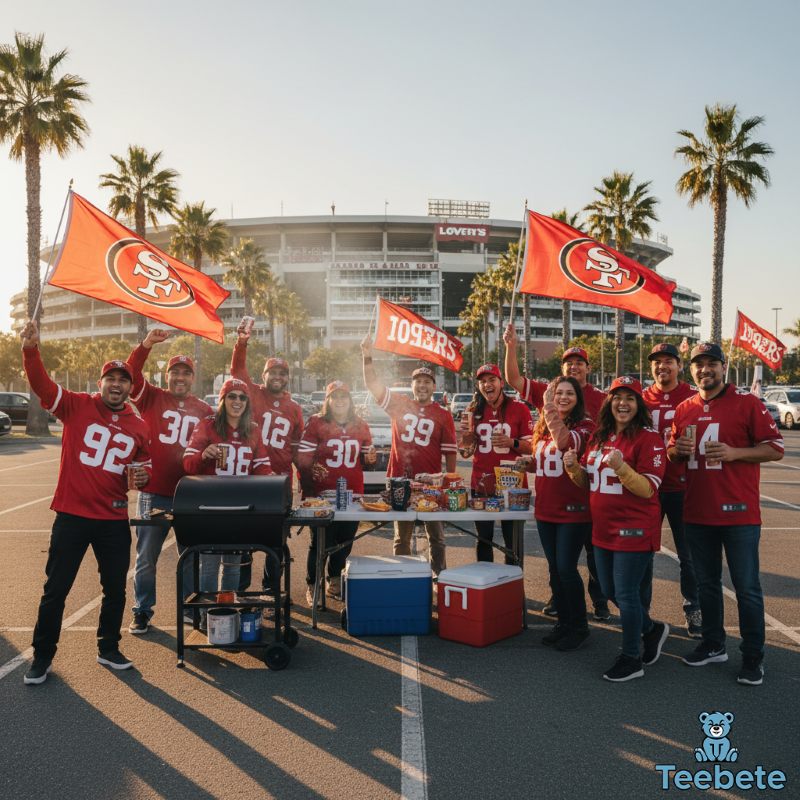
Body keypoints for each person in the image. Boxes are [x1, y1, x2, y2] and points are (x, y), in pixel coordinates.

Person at [20, 320, 151, 685]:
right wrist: (31, 351)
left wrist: (142, 479)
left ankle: (108, 647)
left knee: (115, 589)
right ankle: (42, 655)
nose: (117, 384)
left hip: (112, 518)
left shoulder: (138, 425)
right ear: (101, 383)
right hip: (72, 516)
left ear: (130, 386)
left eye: (123, 380)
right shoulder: (76, 405)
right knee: (56, 590)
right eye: (111, 378)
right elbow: (42, 386)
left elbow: (144, 471)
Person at [667, 342, 783, 686]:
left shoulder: (747, 403)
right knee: (706, 584)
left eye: (711, 364)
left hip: (739, 513)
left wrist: (734, 452)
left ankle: (753, 655)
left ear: (723, 367)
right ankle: (714, 643)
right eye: (698, 365)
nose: (705, 370)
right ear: (692, 371)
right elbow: (673, 453)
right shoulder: (684, 408)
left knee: (747, 588)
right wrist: (676, 451)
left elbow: (775, 449)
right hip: (697, 511)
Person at [564, 377, 668, 682]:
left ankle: (631, 658)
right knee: (609, 591)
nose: (623, 403)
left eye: (630, 398)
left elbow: (649, 489)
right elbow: (588, 483)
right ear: (609, 403)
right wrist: (573, 468)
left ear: (639, 405)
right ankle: (651, 629)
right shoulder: (600, 437)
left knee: (626, 593)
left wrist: (622, 467)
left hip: (634, 529)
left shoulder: (650, 438)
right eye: (617, 397)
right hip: (603, 529)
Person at [503, 324, 610, 620]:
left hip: (587, 485)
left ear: (587, 368)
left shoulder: (596, 400)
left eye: (579, 362)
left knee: (589, 554)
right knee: (559, 565)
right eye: (569, 362)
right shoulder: (550, 393)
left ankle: (595, 604)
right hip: (551, 499)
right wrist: (512, 346)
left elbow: (570, 440)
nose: (574, 366)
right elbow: (513, 378)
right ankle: (563, 609)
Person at [125, 329, 212, 634]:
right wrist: (146, 345)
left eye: (186, 373)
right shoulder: (151, 397)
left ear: (192, 378)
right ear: (167, 376)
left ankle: (189, 608)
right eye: (175, 372)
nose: (180, 378)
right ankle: (142, 610)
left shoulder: (203, 409)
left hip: (189, 494)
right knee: (146, 558)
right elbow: (130, 373)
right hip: (154, 492)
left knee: (189, 556)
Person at [361, 337, 457, 577]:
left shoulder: (443, 414)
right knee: (401, 536)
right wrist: (367, 356)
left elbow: (450, 452)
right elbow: (373, 385)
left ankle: (439, 576)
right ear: (412, 386)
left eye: (427, 381)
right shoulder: (399, 404)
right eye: (418, 382)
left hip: (430, 483)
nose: (422, 386)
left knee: (436, 535)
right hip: (399, 479)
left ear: (433, 386)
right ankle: (403, 575)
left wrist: (450, 482)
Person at [516, 377, 595, 651]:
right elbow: (546, 462)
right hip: (546, 509)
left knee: (566, 569)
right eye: (558, 393)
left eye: (568, 393)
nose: (562, 397)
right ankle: (563, 622)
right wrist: (527, 463)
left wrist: (546, 404)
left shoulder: (585, 426)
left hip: (574, 511)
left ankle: (579, 626)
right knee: (554, 570)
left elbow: (564, 443)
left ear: (578, 398)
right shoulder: (543, 426)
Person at [230, 319, 304, 590]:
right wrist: (241, 342)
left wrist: (305, 480)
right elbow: (237, 370)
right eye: (273, 372)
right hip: (249, 478)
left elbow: (296, 448)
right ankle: (240, 592)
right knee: (244, 540)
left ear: (287, 378)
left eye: (282, 373)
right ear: (264, 376)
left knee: (277, 541)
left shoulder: (295, 408)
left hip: (280, 481)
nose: (278, 377)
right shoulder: (253, 394)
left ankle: (271, 593)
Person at [183, 379, 272, 594]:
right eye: (232, 396)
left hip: (239, 507)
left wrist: (270, 484)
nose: (237, 401)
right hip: (210, 506)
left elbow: (262, 467)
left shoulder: (252, 430)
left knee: (232, 566)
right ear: (222, 400)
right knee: (210, 566)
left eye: (242, 397)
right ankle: (207, 615)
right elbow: (187, 464)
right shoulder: (207, 425)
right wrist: (204, 455)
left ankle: (227, 611)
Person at [642, 342, 702, 638]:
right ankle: (642, 612)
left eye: (668, 361)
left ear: (680, 365)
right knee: (642, 552)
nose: (662, 366)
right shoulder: (640, 398)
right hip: (646, 488)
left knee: (688, 555)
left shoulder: (693, 397)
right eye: (656, 361)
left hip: (682, 486)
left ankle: (694, 608)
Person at [296, 381, 376, 604]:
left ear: (350, 400)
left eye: (344, 396)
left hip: (353, 493)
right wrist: (310, 489)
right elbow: (303, 460)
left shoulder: (360, 425)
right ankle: (313, 584)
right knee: (320, 542)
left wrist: (371, 459)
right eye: (335, 396)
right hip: (323, 495)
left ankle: (333, 580)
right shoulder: (316, 423)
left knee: (345, 540)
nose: (339, 400)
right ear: (328, 400)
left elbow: (366, 462)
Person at [458, 363, 532, 564]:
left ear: (501, 382)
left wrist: (512, 443)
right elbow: (465, 453)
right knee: (484, 540)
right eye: (482, 381)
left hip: (513, 486)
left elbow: (532, 447)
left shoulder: (519, 408)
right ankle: (487, 590)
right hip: (481, 484)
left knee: (513, 543)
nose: (487, 385)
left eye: (492, 380)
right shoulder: (473, 410)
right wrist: (465, 436)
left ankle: (513, 589)